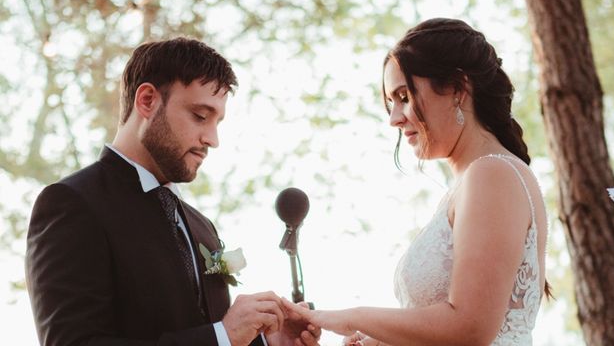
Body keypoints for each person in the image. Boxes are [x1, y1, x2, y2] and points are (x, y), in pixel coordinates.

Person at [26, 38, 319, 346]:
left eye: (218, 122)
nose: (212, 139)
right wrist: (221, 336)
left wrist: (265, 343)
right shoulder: (73, 203)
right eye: (200, 116)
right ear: (148, 101)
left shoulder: (201, 226)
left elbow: (213, 336)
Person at [284, 18, 549, 345]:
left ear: (456, 89)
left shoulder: (491, 173)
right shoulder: (471, 183)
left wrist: (350, 316)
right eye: (391, 102)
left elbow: (470, 327)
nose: (394, 118)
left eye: (404, 96)